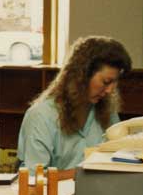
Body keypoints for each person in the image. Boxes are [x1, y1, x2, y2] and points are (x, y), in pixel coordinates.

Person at [17, 35, 132, 170]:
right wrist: (84, 174)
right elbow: (35, 178)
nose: (110, 90)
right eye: (106, 82)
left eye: (115, 82)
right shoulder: (41, 116)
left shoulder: (107, 111)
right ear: (81, 76)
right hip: (57, 190)